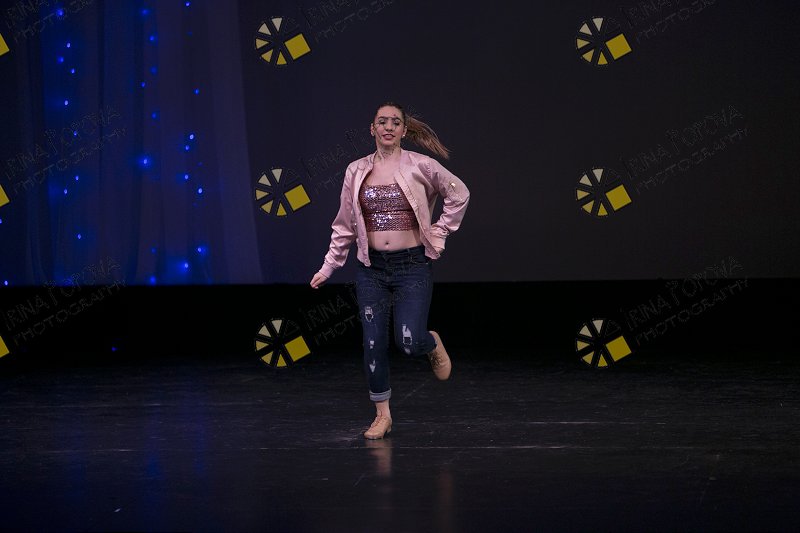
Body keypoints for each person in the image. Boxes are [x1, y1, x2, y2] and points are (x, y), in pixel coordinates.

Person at [309, 101, 470, 440]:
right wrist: (330, 265)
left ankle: (430, 343)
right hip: (372, 269)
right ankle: (382, 415)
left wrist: (439, 232)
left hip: (411, 266)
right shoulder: (356, 170)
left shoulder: (421, 165)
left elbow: (459, 194)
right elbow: (345, 224)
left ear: (404, 130)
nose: (388, 127)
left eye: (395, 122)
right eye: (382, 122)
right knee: (372, 343)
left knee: (409, 342)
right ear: (372, 128)